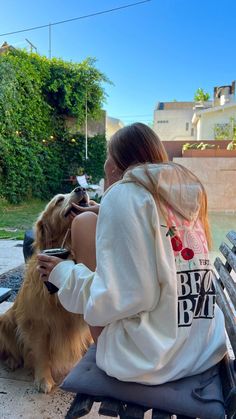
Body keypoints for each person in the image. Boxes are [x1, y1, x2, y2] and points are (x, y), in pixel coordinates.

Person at [37, 122, 226, 385]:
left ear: (114, 164)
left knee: (82, 225)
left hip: (151, 360)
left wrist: (63, 273)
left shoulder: (123, 193)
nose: (105, 164)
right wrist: (105, 213)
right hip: (200, 347)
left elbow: (119, 298)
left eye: (106, 156)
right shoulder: (185, 193)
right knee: (88, 222)